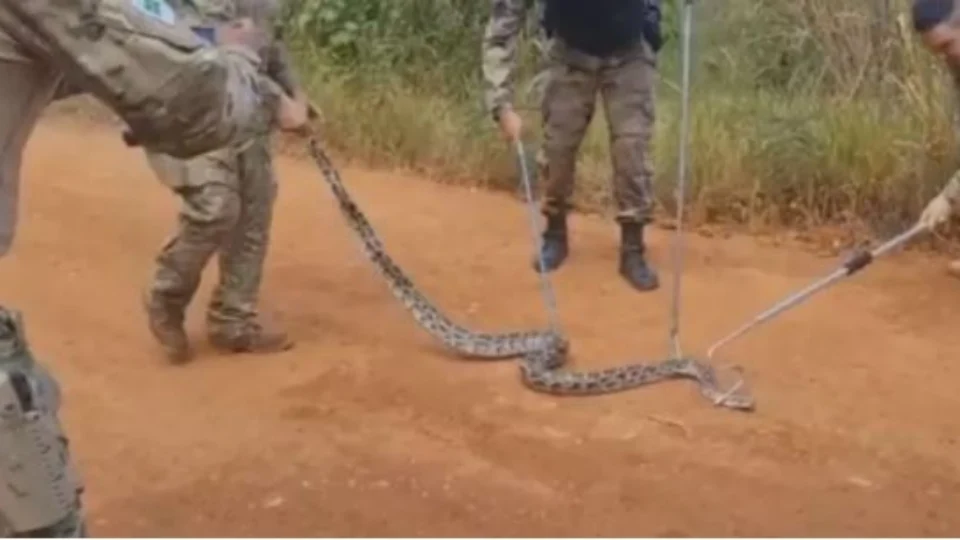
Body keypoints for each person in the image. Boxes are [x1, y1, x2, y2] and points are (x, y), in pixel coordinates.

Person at [0, 0, 308, 535]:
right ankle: (168, 297)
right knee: (39, 512)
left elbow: (84, 54)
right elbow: (185, 95)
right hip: (211, 96)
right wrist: (245, 69)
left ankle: (232, 317)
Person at [142, 0, 312, 363]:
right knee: (216, 207)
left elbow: (268, 42)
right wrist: (277, 99)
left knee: (255, 206)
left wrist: (297, 94)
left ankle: (233, 320)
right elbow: (173, 40)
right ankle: (167, 297)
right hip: (187, 111)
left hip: (244, 110)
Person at [482, 0, 663, 292]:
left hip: (630, 52)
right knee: (558, 149)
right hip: (570, 53)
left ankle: (633, 248)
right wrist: (501, 104)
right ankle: (555, 233)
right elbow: (503, 26)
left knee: (632, 150)